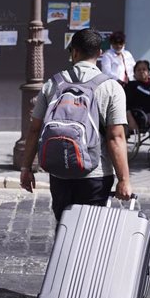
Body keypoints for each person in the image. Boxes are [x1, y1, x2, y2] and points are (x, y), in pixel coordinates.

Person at [20, 29, 132, 221]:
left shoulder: (52, 84)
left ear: (74, 52)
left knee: (64, 227)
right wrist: (124, 180)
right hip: (95, 174)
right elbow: (116, 137)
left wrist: (26, 168)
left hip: (60, 171)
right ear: (99, 53)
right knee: (89, 233)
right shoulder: (111, 87)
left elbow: (34, 129)